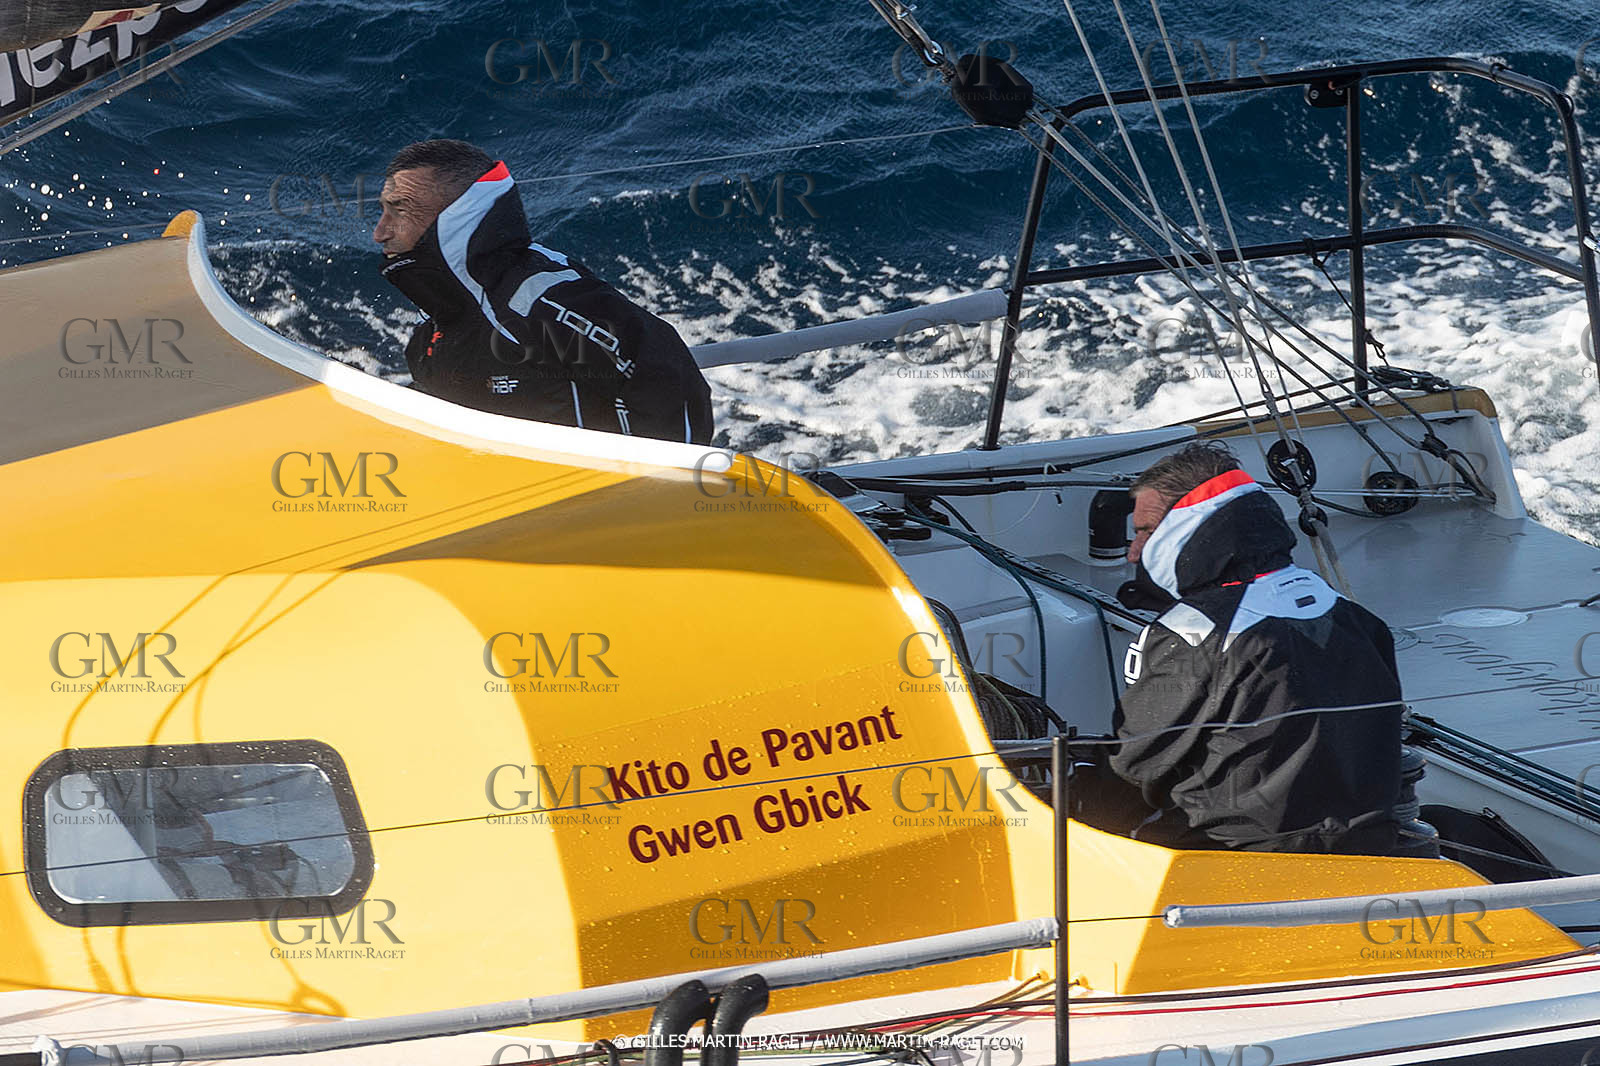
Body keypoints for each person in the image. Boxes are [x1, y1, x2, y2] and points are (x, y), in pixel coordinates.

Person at [1088, 441, 1404, 855]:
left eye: (1145, 532)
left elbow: (1136, 766)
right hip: (1368, 850)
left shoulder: (1195, 633)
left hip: (1235, 861)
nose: (1133, 552)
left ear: (1184, 526)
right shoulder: (1351, 615)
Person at [374, 139, 714, 444]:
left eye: (399, 210)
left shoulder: (542, 302)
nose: (380, 232)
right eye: (382, 211)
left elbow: (674, 383)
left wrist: (642, 493)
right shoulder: (433, 332)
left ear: (456, 217)